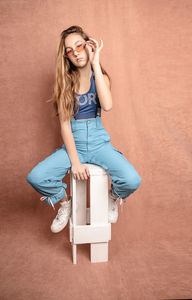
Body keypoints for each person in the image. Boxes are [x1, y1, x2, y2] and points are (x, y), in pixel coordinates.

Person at [26, 25, 141, 233]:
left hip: (99, 143)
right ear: (66, 57)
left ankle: (112, 196)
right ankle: (64, 203)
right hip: (74, 143)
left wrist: (96, 63)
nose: (76, 53)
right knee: (36, 176)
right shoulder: (64, 83)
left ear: (88, 46)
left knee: (132, 179)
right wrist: (76, 162)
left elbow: (107, 106)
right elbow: (64, 126)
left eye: (79, 46)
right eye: (70, 50)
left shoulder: (101, 77)